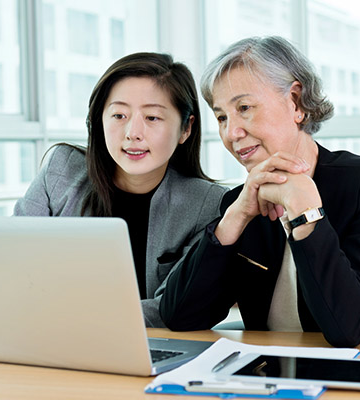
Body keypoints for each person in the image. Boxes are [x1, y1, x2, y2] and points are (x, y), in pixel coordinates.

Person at [160, 36, 360, 347]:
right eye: (222, 117)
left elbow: (348, 330)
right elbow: (181, 317)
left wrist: (306, 213)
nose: (231, 133)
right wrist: (234, 217)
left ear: (296, 102)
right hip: (280, 374)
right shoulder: (240, 203)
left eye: (245, 108)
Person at [14, 52, 227, 327]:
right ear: (98, 120)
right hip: (52, 336)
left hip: (150, 348)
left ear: (186, 128)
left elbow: (173, 308)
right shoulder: (61, 170)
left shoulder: (206, 203)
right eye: (118, 115)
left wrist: (84, 318)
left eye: (152, 118)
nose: (132, 132)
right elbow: (16, 265)